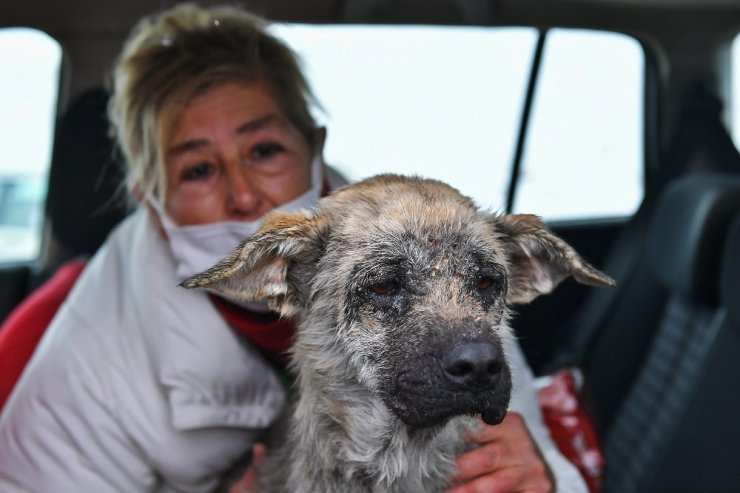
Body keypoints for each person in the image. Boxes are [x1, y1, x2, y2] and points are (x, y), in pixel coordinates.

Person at [0, 3, 588, 492]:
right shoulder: (91, 353)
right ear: (151, 202)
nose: (244, 194)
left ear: (312, 147)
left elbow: (516, 423)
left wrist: (545, 477)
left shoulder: (423, 241)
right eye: (198, 170)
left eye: (264, 152)